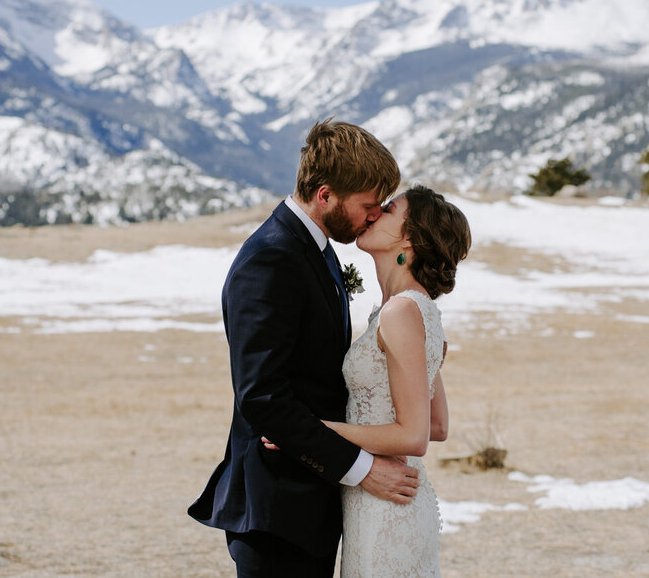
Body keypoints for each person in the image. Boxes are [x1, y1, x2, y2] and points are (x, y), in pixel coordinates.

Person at [188, 119, 420, 577]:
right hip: (277, 508)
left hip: (309, 501)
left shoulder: (318, 248)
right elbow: (261, 397)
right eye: (366, 206)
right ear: (326, 195)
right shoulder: (271, 259)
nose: (373, 216)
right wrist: (361, 469)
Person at [326, 185, 471, 577]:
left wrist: (319, 431)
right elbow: (438, 425)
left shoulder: (402, 313)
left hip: (388, 513)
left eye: (388, 210)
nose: (373, 214)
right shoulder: (410, 309)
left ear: (410, 237)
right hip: (383, 504)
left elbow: (415, 436)